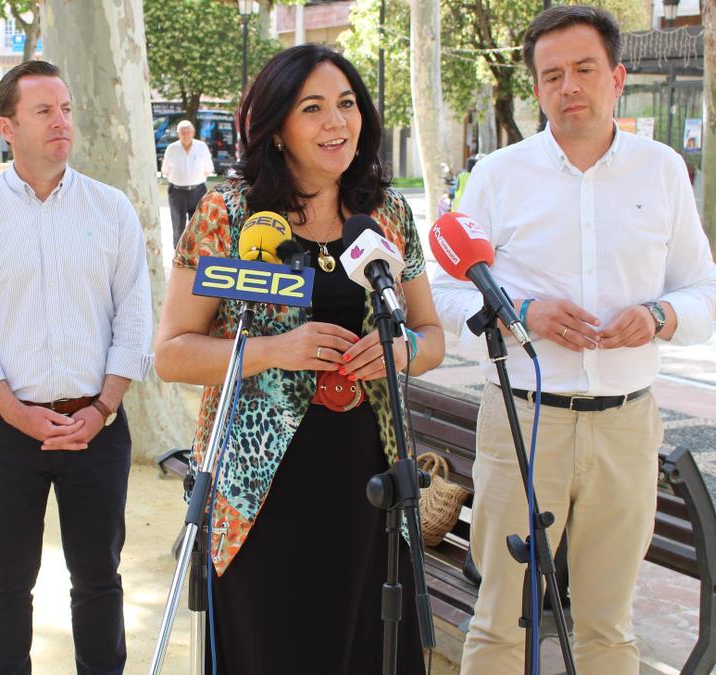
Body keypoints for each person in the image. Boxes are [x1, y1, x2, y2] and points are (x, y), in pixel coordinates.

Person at [429, 7, 716, 673]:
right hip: (523, 420)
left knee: (608, 627)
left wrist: (658, 318)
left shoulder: (663, 170)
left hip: (627, 426)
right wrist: (519, 311)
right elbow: (443, 292)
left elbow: (703, 292)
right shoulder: (498, 174)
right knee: (500, 620)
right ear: (536, 88)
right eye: (552, 74)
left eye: (584, 70)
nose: (569, 87)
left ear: (616, 77)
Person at [154, 44, 444, 674]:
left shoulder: (387, 214)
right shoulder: (227, 215)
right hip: (261, 488)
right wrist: (274, 351)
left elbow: (431, 337)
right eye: (312, 108)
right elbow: (173, 354)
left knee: (364, 648)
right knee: (274, 647)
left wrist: (399, 352)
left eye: (346, 104)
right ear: (277, 127)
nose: (335, 122)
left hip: (367, 480)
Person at [0, 60, 152, 675]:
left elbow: (133, 319)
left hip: (97, 428)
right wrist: (17, 413)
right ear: (7, 127)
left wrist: (102, 408)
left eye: (65, 109)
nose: (61, 122)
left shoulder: (112, 210)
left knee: (99, 580)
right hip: (8, 432)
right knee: (6, 581)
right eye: (43, 111)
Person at [161, 119, 215, 247]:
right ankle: (178, 255)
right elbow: (165, 170)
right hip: (177, 191)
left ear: (193, 132)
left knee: (197, 225)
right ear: (178, 134)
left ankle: (196, 254)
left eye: (188, 132)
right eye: (182, 132)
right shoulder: (171, 148)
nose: (186, 135)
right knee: (178, 225)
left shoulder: (202, 147)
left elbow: (208, 169)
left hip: (198, 191)